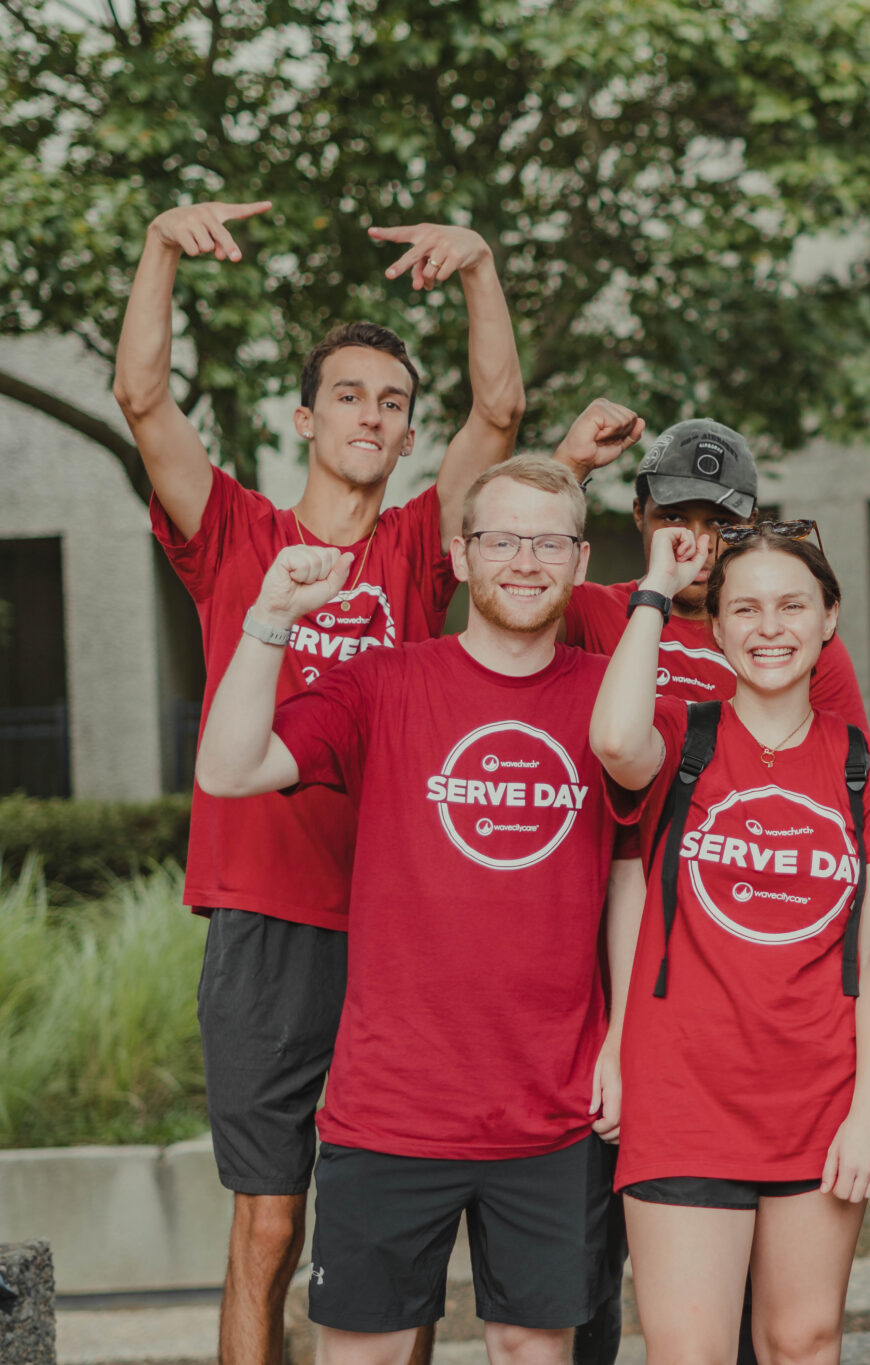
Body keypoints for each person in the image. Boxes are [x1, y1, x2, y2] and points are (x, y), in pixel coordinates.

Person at [113, 199, 528, 1365]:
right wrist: (158, 249)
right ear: (306, 418)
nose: (372, 414)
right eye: (348, 394)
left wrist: (480, 266)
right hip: (263, 927)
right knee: (269, 1223)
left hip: (397, 931)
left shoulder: (413, 549)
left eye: (392, 404)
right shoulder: (233, 531)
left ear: (405, 440)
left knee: (389, 1223)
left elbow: (499, 409)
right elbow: (143, 399)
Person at [193, 458, 633, 1365]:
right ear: (463, 557)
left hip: (549, 1108)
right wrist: (270, 616)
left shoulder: (611, 706)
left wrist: (625, 1041)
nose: (525, 559)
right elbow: (228, 768)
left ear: (580, 560)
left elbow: (637, 875)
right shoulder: (382, 683)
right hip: (390, 1108)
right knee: (368, 1352)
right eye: (501, 538)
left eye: (549, 540)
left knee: (531, 1347)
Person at [586, 518, 870, 1365]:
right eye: (745, 608)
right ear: (716, 624)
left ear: (829, 617)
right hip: (685, 1089)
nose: (768, 627)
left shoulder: (869, 766)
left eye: (790, 605)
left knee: (802, 1340)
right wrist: (656, 591)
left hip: (818, 1090)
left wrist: (866, 1109)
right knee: (689, 1349)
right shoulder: (681, 738)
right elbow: (612, 741)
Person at [562, 406, 866, 720]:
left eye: (720, 522)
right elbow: (515, 573)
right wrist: (571, 465)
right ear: (639, 513)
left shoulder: (790, 637)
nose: (696, 544)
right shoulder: (591, 613)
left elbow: (843, 761)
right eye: (672, 517)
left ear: (750, 523)